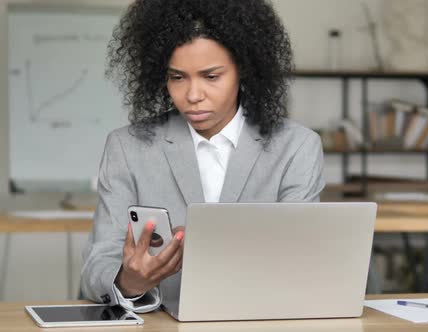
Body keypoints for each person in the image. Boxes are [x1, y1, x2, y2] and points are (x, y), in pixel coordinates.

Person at [80, 0, 325, 313]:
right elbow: (96, 264)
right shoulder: (128, 147)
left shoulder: (297, 147)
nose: (193, 95)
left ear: (245, 70)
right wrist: (129, 282)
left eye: (211, 77)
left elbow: (301, 260)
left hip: (261, 320)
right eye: (177, 77)